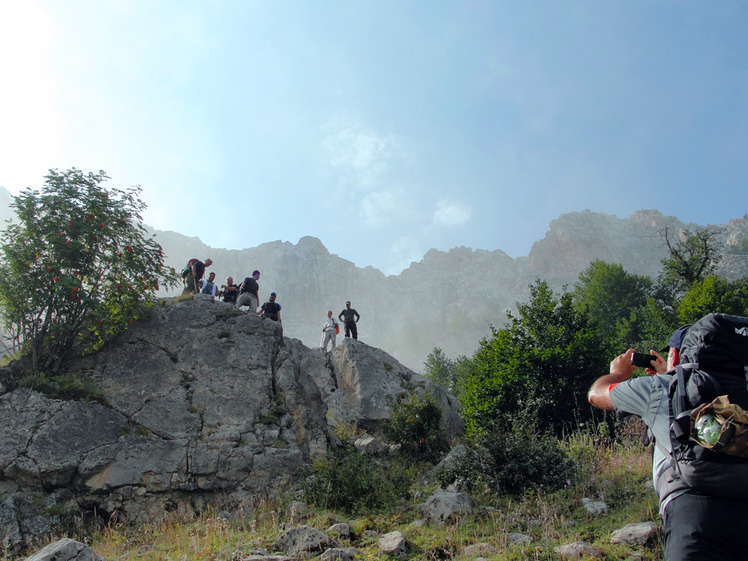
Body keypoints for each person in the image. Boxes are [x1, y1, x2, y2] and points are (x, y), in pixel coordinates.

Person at [587, 326, 748, 560]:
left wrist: (618, 373)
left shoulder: (659, 388)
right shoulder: (739, 390)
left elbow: (597, 393)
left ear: (677, 355)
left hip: (693, 515)